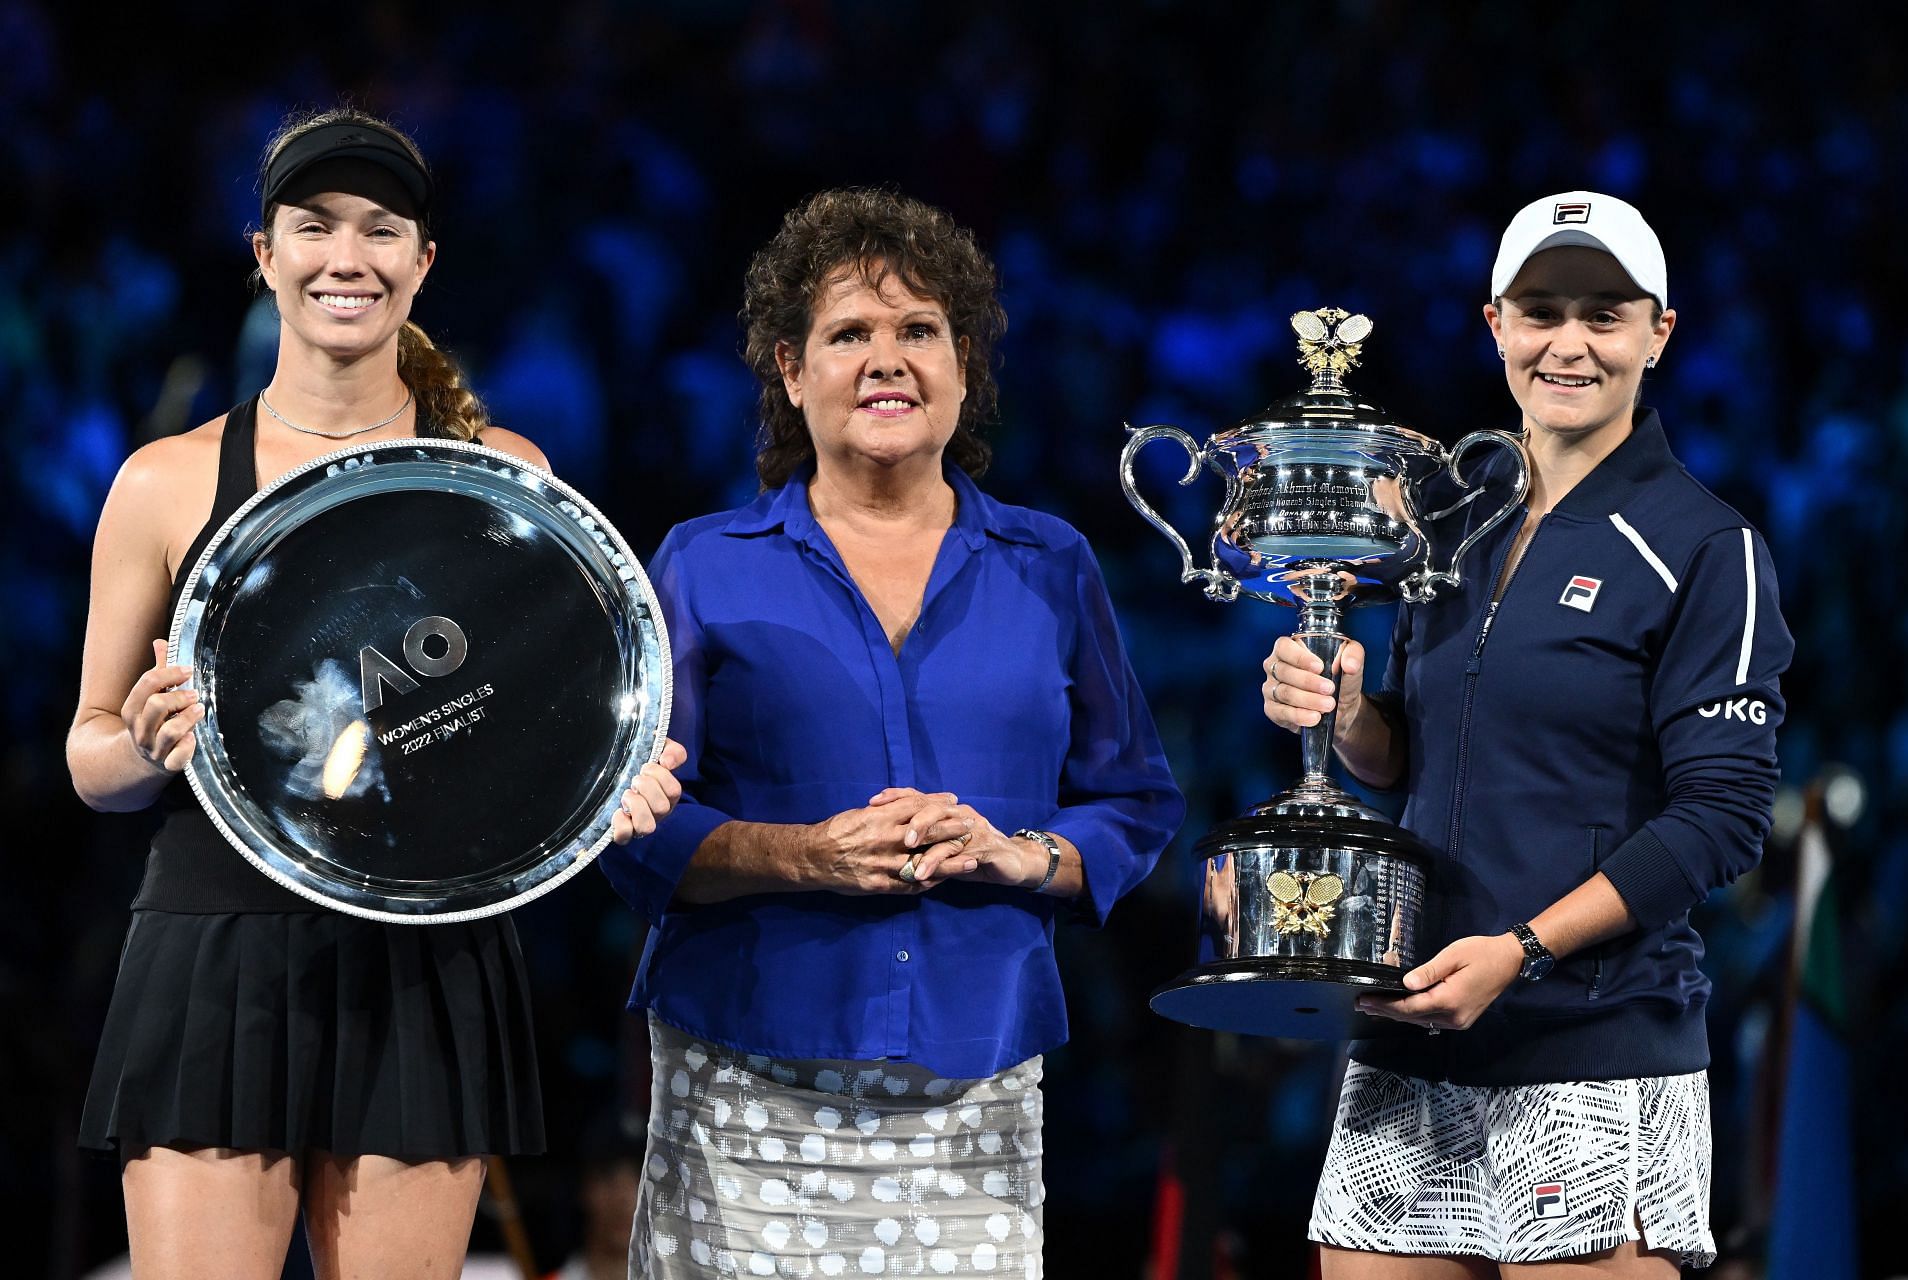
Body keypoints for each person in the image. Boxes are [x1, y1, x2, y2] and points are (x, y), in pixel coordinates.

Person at [70, 107, 684, 1279]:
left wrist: (611, 779)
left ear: (421, 261)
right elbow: (89, 756)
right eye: (313, 227)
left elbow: (548, 723)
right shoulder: (166, 479)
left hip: (428, 961)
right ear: (265, 254)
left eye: (379, 229)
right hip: (218, 948)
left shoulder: (510, 480)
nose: (345, 257)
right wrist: (146, 744)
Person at [599, 187, 1184, 1278]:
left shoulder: (1050, 563)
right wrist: (804, 852)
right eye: (849, 334)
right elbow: (636, 824)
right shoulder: (700, 560)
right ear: (789, 369)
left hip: (976, 1082)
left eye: (918, 330)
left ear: (962, 361)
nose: (887, 360)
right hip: (746, 1076)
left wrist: (1023, 853)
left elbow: (1135, 799)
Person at [1260, 191, 1791, 1277]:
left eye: (1605, 313)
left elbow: (1724, 820)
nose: (1571, 342)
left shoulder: (1707, 546)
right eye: (1543, 310)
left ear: (1659, 332)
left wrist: (1523, 951)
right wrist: (1352, 716)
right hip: (1412, 1037)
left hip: (1596, 1051)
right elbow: (1414, 760)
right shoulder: (1444, 528)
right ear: (1495, 322)